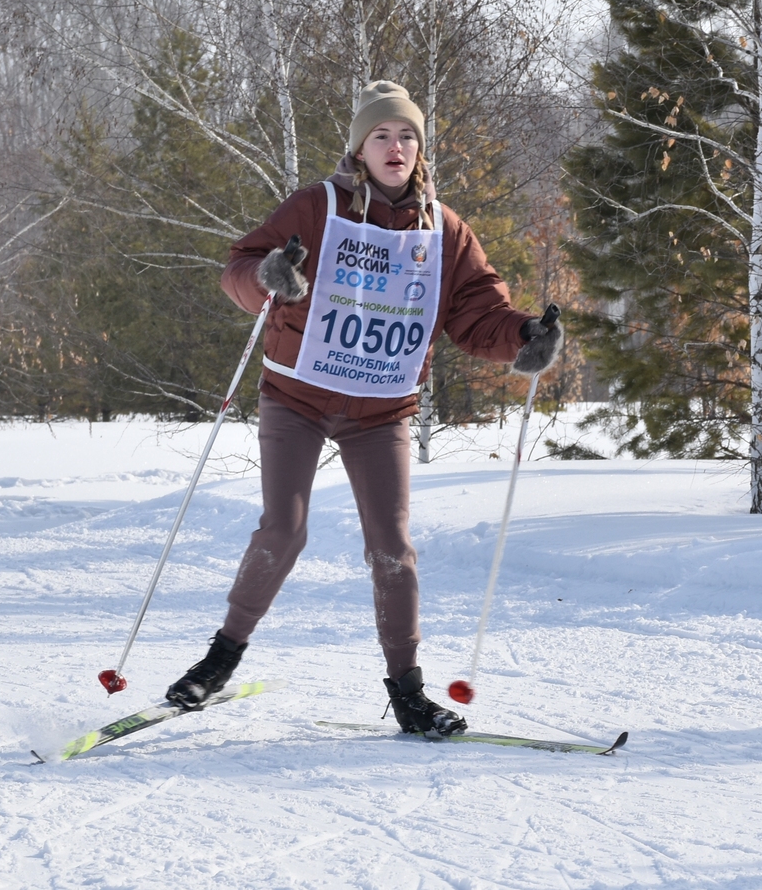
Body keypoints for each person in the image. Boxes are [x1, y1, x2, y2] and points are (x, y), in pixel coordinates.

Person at [163, 81, 564, 736]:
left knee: (393, 549)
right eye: (382, 135)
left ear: (420, 148)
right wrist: (269, 276)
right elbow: (240, 265)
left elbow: (476, 313)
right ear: (359, 147)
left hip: (381, 407)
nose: (396, 146)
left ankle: (408, 693)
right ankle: (218, 659)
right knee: (284, 530)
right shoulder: (319, 208)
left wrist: (523, 335)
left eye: (407, 136)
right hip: (297, 395)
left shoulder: (444, 230)